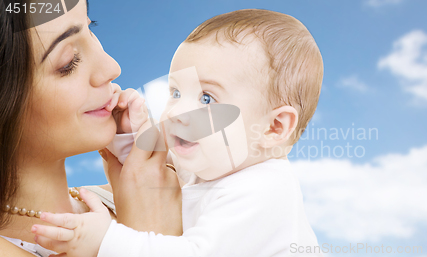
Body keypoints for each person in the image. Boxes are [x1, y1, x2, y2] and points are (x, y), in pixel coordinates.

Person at [33, 9, 324, 257]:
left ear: (274, 128)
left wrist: (105, 241)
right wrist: (127, 137)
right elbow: (152, 172)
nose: (174, 113)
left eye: (206, 99)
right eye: (175, 91)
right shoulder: (215, 163)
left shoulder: (265, 193)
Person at [0, 0, 182, 256]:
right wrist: (146, 241)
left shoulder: (146, 194)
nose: (112, 67)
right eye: (68, 63)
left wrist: (144, 166)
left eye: (91, 30)